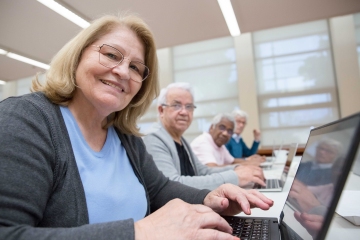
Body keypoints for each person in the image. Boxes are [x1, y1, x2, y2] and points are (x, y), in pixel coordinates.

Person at [0, 14, 274, 240]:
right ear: (77, 56)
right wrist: (138, 233)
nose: (122, 71)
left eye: (135, 67)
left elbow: (159, 190)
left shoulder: (125, 137)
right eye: (110, 54)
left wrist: (211, 198)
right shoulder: (26, 119)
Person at [143, 82, 266, 190]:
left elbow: (202, 171)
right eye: (176, 105)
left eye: (189, 107)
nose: (184, 112)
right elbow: (171, 185)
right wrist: (234, 177)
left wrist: (238, 169)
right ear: (161, 110)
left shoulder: (181, 140)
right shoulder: (153, 138)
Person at [190, 113, 265, 168]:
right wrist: (246, 164)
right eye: (222, 127)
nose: (225, 133)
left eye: (230, 131)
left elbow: (232, 161)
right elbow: (212, 169)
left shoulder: (219, 145)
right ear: (211, 128)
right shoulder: (203, 142)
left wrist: (251, 162)